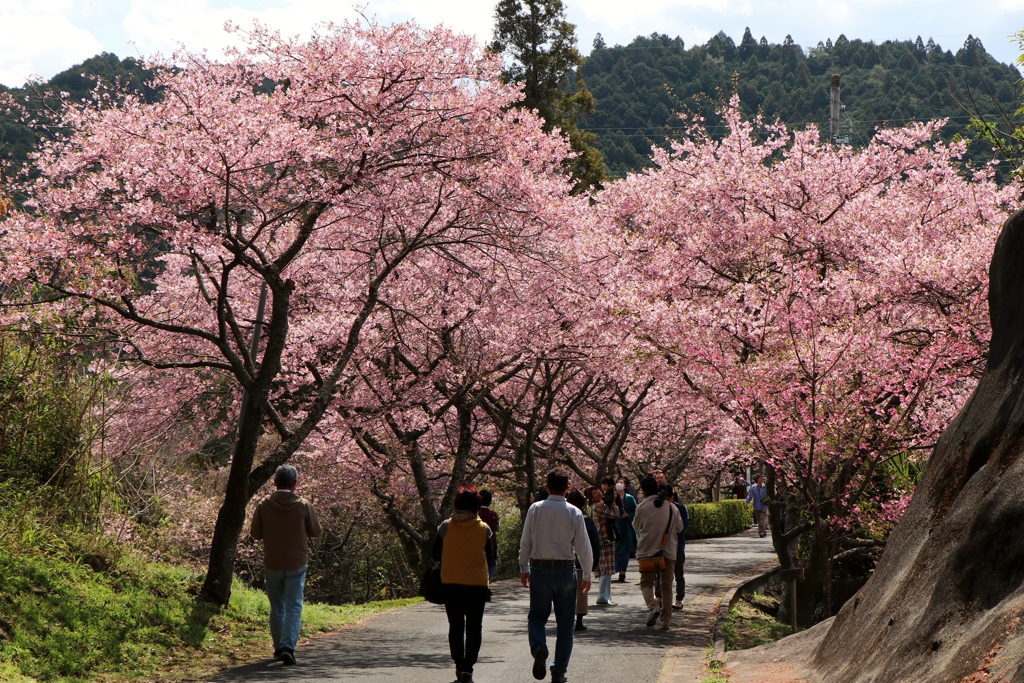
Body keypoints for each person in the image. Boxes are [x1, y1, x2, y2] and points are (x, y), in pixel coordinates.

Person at [520, 469, 593, 683]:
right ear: (568, 489)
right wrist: (587, 574)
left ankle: (539, 647)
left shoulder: (535, 509)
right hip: (565, 569)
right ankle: (559, 670)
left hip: (540, 568)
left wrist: (524, 567)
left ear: (547, 487)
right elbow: (583, 546)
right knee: (565, 624)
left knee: (537, 617)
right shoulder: (574, 512)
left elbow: (526, 541)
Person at [249, 464, 322, 666]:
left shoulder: (264, 504)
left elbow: (255, 534)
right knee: (294, 606)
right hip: (296, 562)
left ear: (275, 482)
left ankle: (279, 647)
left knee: (277, 607)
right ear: (294, 484)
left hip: (272, 561)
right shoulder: (303, 505)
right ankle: (288, 647)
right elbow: (316, 531)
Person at [433, 485, 494, 683]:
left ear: (456, 504)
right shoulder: (485, 530)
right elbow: (491, 557)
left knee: (456, 626)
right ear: (477, 506)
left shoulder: (445, 526)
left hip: (451, 583)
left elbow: (435, 554)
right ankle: (468, 669)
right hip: (477, 585)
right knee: (475, 627)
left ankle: (459, 665)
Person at [633, 475, 683, 630]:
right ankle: (666, 620)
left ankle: (654, 606)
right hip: (668, 550)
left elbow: (635, 526)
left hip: (648, 551)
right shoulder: (671, 507)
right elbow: (680, 528)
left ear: (644, 491)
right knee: (667, 586)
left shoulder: (642, 507)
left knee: (646, 583)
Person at [566, 488, 601, 632]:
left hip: (566, 560)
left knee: (566, 592)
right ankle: (579, 620)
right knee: (581, 591)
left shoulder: (564, 518)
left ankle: (566, 618)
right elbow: (595, 543)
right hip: (582, 561)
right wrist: (594, 562)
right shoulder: (588, 521)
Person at [587, 485, 622, 605]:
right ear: (591, 498)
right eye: (594, 492)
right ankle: (602, 596)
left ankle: (606, 597)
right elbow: (616, 515)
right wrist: (614, 503)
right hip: (604, 538)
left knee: (607, 568)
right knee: (605, 568)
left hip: (606, 537)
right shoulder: (597, 507)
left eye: (597, 490)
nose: (598, 492)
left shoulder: (601, 505)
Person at [614, 476, 638, 582]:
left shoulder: (630, 498)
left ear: (625, 486)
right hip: (615, 525)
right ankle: (616, 568)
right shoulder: (612, 498)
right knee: (616, 548)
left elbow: (636, 512)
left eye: (621, 482)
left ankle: (622, 571)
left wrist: (628, 515)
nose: (619, 484)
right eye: (618, 482)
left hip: (626, 526)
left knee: (625, 548)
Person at [670, 491, 690, 609]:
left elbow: (684, 525)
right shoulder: (658, 508)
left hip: (678, 545)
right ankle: (659, 597)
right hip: (662, 546)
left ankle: (679, 598)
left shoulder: (680, 508)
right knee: (660, 574)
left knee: (678, 573)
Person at [478, 489, 501, 581]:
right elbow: (498, 528)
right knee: (491, 564)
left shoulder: (475, 513)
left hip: (477, 546)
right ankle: (487, 582)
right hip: (491, 545)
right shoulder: (493, 514)